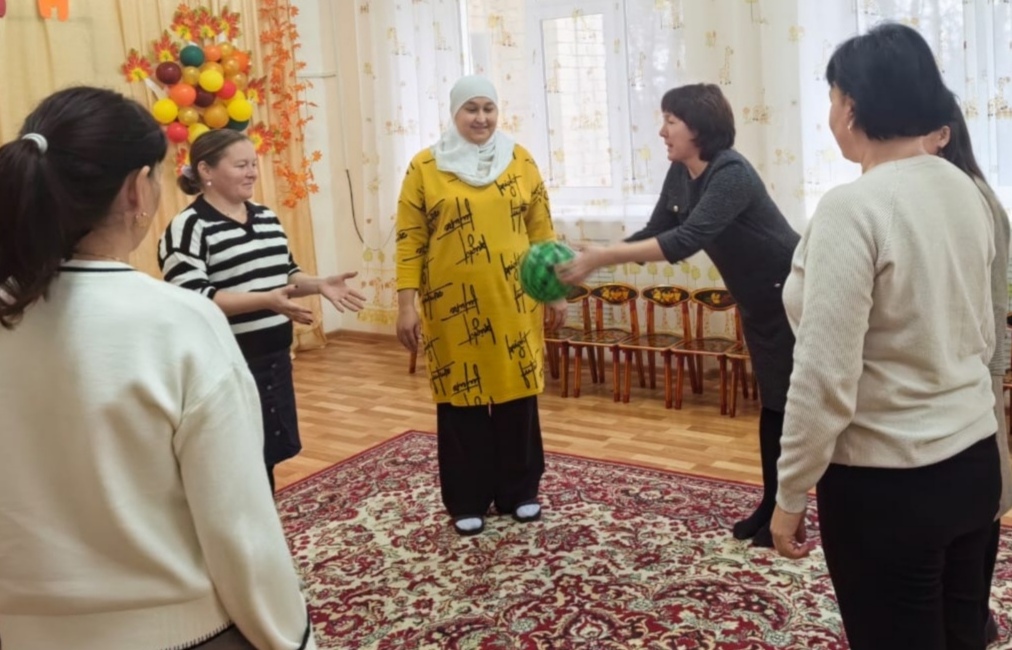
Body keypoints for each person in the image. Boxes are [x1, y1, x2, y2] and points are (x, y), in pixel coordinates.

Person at [0, 87, 314, 649]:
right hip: (174, 628)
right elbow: (238, 529)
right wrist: (294, 637)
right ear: (136, 189)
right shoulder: (179, 323)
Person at [770, 24, 1000, 650]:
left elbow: (824, 375)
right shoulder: (967, 189)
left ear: (850, 106)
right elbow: (981, 335)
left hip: (890, 483)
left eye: (831, 98)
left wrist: (789, 492)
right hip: (973, 460)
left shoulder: (853, 207)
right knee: (961, 636)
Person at [556, 83, 799, 548]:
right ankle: (772, 504)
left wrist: (604, 256)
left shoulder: (731, 173)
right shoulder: (681, 172)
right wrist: (595, 256)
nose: (661, 131)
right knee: (775, 404)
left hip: (791, 295)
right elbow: (658, 230)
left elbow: (685, 240)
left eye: (670, 120)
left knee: (795, 407)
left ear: (699, 127)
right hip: (757, 299)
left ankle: (790, 508)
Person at [395, 75, 567, 536]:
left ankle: (520, 491)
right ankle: (467, 497)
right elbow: (410, 240)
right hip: (451, 306)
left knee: (517, 396)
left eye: (488, 108)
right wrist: (406, 304)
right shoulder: (425, 167)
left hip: (515, 301)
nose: (481, 118)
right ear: (455, 112)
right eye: (471, 109)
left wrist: (554, 289)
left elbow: (542, 231)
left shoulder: (520, 160)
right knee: (461, 400)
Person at [159, 129, 366, 493]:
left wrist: (319, 284)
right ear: (206, 170)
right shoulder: (188, 227)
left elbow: (286, 274)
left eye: (253, 164)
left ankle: (265, 521)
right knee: (233, 464)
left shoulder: (267, 217)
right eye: (241, 165)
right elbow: (193, 297)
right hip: (225, 365)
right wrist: (266, 300)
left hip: (274, 360)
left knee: (265, 458)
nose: (252, 173)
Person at [924, 96, 1012, 646]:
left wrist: (991, 381)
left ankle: (972, 617)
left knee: (983, 506)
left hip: (974, 373)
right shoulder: (932, 194)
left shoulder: (972, 198)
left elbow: (991, 308)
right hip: (954, 375)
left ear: (943, 134)